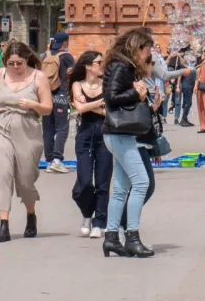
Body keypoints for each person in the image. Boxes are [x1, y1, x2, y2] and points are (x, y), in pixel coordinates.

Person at [0, 41, 53, 242]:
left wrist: (34, 104)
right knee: (2, 174)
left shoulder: (39, 77)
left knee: (25, 179)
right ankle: (4, 225)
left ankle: (31, 214)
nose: (15, 67)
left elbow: (48, 108)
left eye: (19, 63)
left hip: (27, 129)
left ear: (27, 59)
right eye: (11, 63)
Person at [101, 27, 157, 259]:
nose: (148, 55)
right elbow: (111, 98)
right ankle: (132, 236)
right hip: (118, 132)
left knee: (121, 188)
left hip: (119, 133)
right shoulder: (121, 66)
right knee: (141, 183)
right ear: (137, 47)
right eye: (147, 50)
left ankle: (111, 237)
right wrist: (138, 95)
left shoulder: (123, 66)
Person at [69, 50, 111, 238]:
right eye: (98, 62)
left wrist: (91, 105)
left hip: (105, 134)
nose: (101, 65)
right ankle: (87, 213)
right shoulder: (78, 85)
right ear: (87, 66)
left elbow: (109, 113)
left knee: (102, 182)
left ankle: (99, 222)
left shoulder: (107, 85)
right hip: (85, 134)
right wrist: (100, 104)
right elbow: (79, 108)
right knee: (84, 182)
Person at [41, 32, 75, 173]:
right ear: (65, 43)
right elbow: (73, 74)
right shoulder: (66, 57)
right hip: (60, 96)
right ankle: (57, 159)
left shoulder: (44, 56)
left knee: (48, 129)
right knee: (62, 128)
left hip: (46, 96)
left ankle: (49, 160)